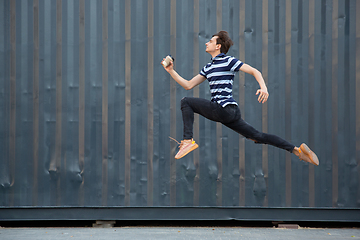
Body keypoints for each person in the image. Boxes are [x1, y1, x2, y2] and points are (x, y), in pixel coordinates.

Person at [162, 30, 319, 166]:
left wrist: (263, 87)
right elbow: (189, 85)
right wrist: (171, 71)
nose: (206, 44)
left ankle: (188, 141)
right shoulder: (208, 68)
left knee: (186, 102)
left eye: (210, 41)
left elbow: (254, 71)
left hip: (222, 109)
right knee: (257, 137)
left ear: (218, 46)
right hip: (231, 112)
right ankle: (296, 150)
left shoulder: (228, 61)